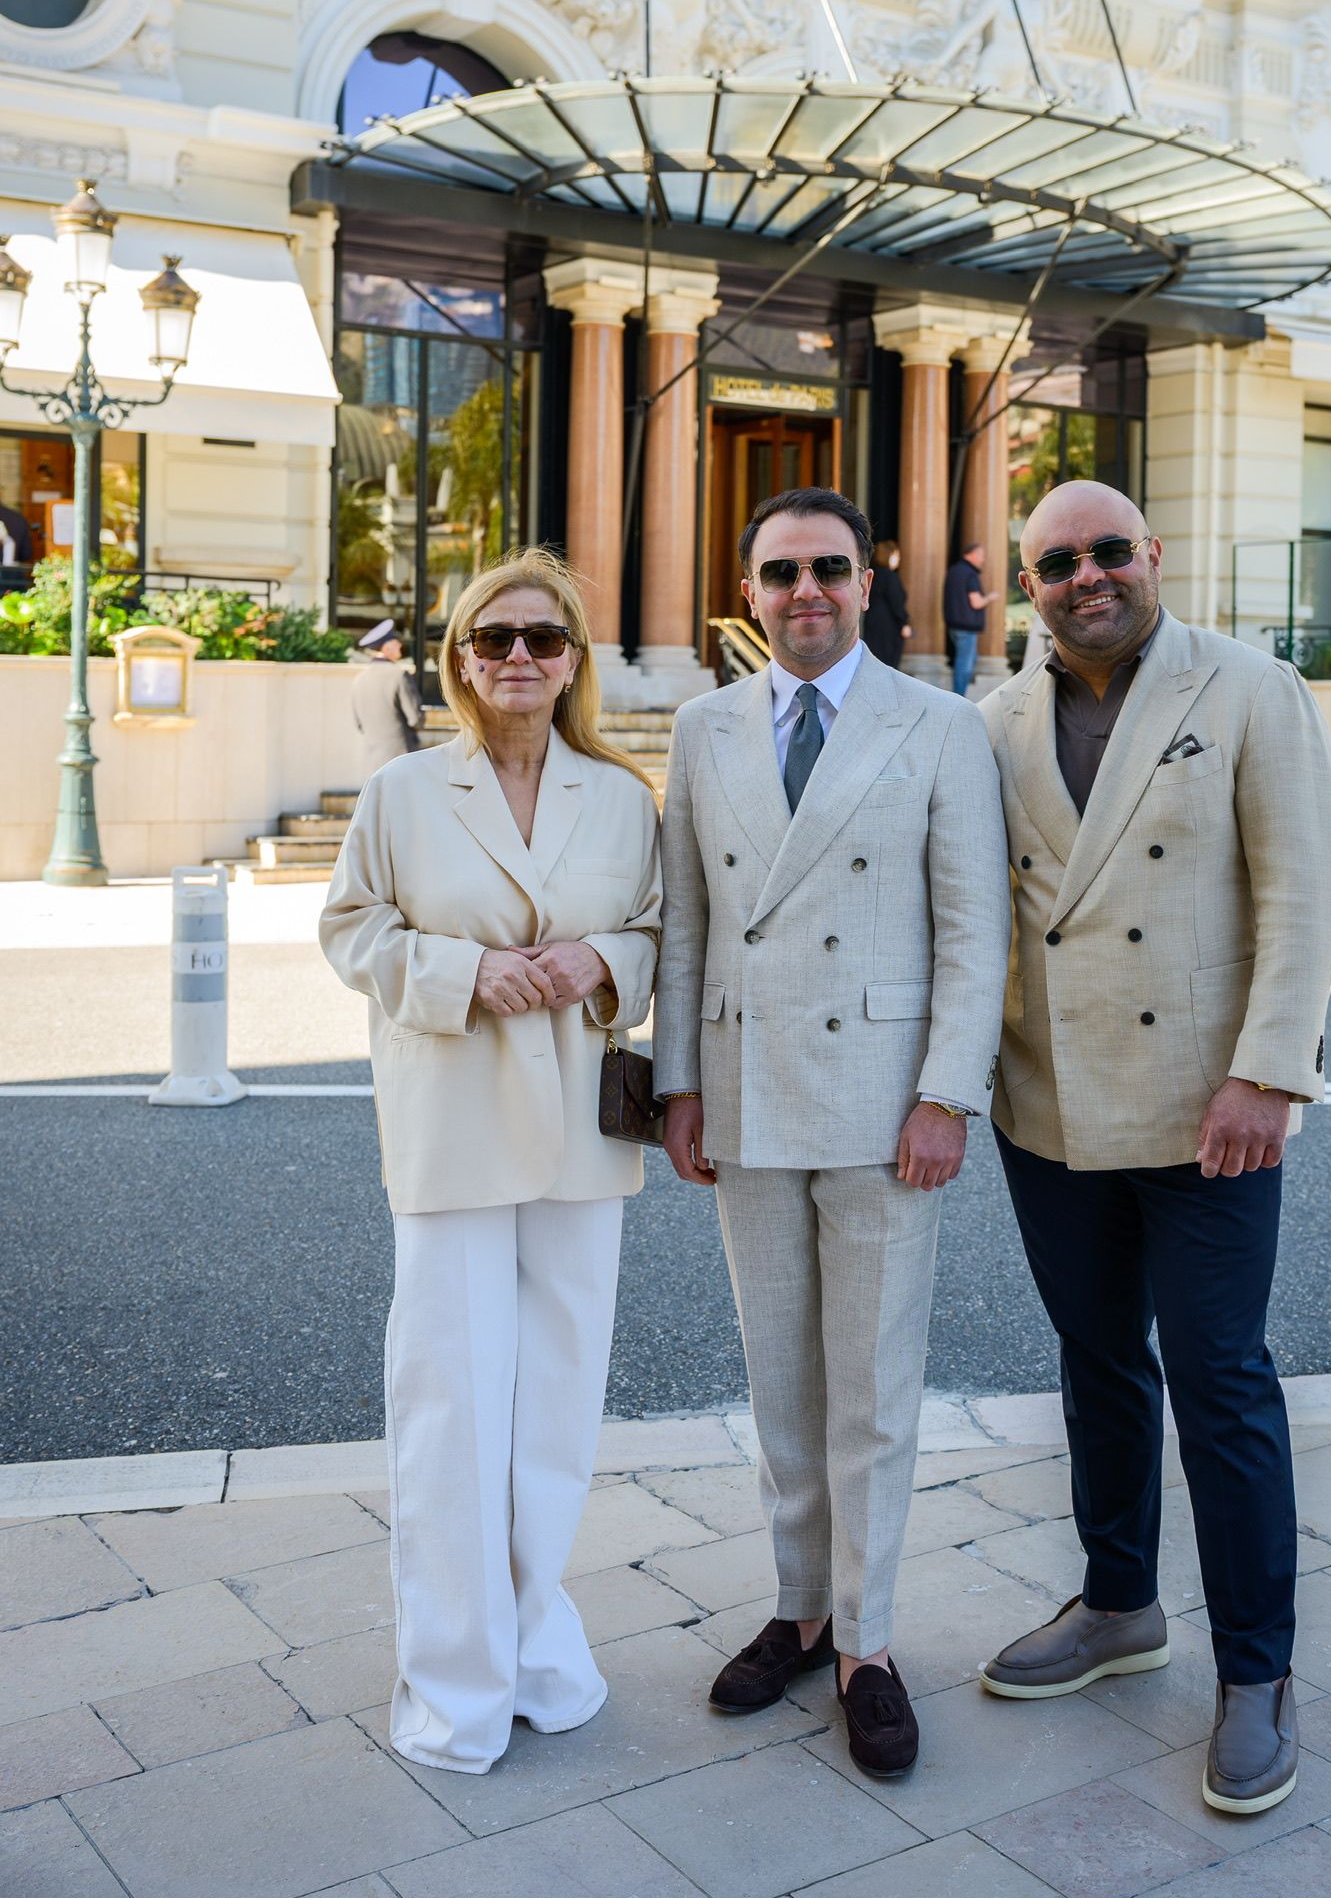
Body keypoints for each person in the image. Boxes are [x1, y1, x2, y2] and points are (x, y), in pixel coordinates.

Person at [979, 480, 1331, 1817]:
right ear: (1028, 583)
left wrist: (1266, 1073)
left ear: (1154, 556)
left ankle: (1259, 1670)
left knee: (1220, 1380)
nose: (1088, 576)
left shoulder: (1251, 687)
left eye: (1109, 551)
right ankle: (1120, 1604)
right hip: (1050, 1107)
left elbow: (1304, 893)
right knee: (1097, 1365)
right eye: (1057, 560)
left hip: (1209, 1114)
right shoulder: (997, 720)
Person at [654, 486, 1011, 1781]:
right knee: (782, 1384)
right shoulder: (700, 728)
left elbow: (976, 931)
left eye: (829, 569)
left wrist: (946, 1095)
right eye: (780, 571)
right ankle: (800, 1611)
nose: (806, 591)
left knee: (874, 1390)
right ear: (748, 591)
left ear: (870, 585)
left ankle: (867, 1643)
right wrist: (679, 1086)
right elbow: (687, 923)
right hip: (746, 1098)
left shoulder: (940, 726)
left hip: (880, 1106)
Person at [319, 550, 662, 1775]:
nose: (519, 657)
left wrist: (605, 958)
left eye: (544, 638)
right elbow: (351, 928)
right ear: (460, 657)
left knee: (559, 1408)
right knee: (452, 1407)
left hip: (579, 1129)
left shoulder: (622, 797)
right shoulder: (405, 793)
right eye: (493, 637)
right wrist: (466, 973)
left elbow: (667, 928)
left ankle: (535, 1646)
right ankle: (455, 1686)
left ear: (575, 660)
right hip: (453, 1122)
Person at [351, 619, 425, 774]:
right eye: (396, 642)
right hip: (402, 759)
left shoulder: (358, 680)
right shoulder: (399, 675)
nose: (400, 645)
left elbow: (359, 724)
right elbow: (416, 719)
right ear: (386, 647)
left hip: (373, 761)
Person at [943, 539, 996, 696]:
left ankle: (959, 696)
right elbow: (977, 603)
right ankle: (959, 697)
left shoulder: (954, 570)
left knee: (967, 660)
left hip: (954, 624)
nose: (983, 559)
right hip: (966, 626)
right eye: (981, 555)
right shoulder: (970, 574)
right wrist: (991, 597)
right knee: (965, 665)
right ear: (971, 554)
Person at [862, 539, 911, 667]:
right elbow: (896, 602)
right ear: (890, 555)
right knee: (888, 660)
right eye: (896, 555)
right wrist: (904, 622)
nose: (898, 560)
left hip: (872, 620)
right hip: (888, 623)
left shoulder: (873, 574)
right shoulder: (890, 576)